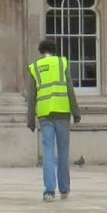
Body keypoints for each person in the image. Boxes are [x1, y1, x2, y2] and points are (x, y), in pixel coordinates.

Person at [28, 36, 80, 200]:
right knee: (63, 152)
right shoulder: (61, 63)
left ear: (41, 52)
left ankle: (49, 191)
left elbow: (31, 96)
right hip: (62, 111)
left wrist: (30, 119)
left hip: (44, 114)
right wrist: (76, 111)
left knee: (48, 152)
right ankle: (64, 189)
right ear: (54, 51)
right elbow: (70, 89)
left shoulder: (35, 67)